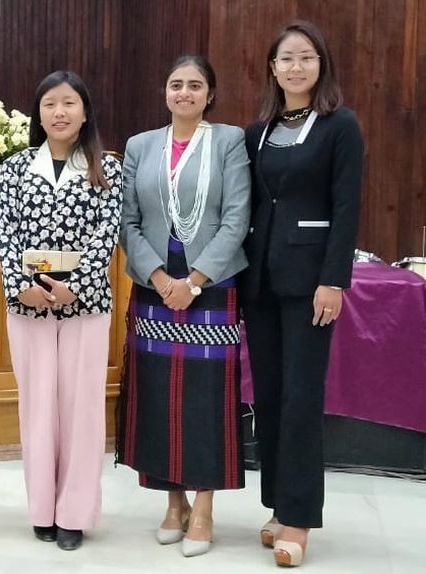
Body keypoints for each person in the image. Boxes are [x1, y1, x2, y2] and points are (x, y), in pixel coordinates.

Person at [116, 55, 250, 557]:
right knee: (156, 395)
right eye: (176, 84)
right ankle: (173, 503)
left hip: (210, 286)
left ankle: (206, 506)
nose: (185, 93)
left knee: (205, 399)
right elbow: (127, 220)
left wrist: (193, 281)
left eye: (195, 86)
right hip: (154, 286)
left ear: (209, 94)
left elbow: (237, 217)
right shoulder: (140, 145)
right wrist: (157, 276)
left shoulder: (229, 141)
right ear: (165, 92)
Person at [241, 20, 363, 567]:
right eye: (286, 58)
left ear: (322, 65)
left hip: (312, 282)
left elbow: (346, 207)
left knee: (300, 399)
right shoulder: (259, 129)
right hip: (261, 281)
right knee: (267, 397)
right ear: (272, 67)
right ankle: (277, 504)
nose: (295, 67)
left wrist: (334, 279)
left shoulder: (341, 126)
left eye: (306, 58)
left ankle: (300, 518)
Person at [0, 71, 122, 551]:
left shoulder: (106, 166)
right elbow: (5, 234)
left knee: (81, 408)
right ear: (39, 113)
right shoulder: (15, 167)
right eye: (50, 104)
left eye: (69, 103)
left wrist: (76, 287)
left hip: (85, 307)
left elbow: (106, 234)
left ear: (85, 111)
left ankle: (73, 513)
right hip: (26, 305)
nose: (60, 112)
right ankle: (41, 510)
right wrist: (21, 286)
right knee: (37, 405)